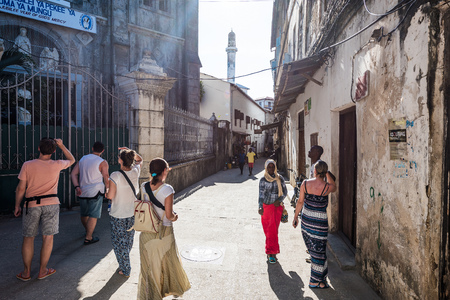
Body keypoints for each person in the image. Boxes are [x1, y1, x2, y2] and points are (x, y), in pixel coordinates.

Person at [15, 138, 75, 281]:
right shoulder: (57, 164)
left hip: (31, 205)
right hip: (51, 203)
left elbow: (21, 188)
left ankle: (26, 272)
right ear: (54, 151)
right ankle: (43, 270)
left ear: (38, 149)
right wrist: (62, 145)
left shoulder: (27, 165)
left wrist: (17, 205)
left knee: (29, 237)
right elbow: (72, 159)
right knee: (48, 237)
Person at [138, 158, 190, 299]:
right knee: (169, 261)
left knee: (148, 267)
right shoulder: (168, 189)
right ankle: (173, 289)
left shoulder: (143, 186)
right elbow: (169, 214)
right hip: (164, 231)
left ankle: (150, 295)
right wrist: (175, 217)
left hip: (146, 231)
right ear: (164, 171)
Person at [292, 160, 336, 289]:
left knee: (314, 251)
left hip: (307, 221)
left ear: (315, 171)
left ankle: (320, 279)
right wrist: (327, 173)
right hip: (320, 223)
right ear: (325, 172)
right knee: (320, 251)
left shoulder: (305, 183)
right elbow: (335, 185)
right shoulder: (327, 187)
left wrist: (295, 217)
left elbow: (300, 202)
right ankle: (316, 280)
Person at [105, 147, 142, 278]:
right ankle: (124, 262)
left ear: (120, 160)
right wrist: (130, 151)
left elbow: (110, 196)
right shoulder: (135, 171)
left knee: (118, 242)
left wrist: (107, 191)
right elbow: (140, 160)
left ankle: (126, 268)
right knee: (128, 240)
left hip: (118, 214)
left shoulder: (115, 175)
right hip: (132, 213)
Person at [71, 141, 109, 245]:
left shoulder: (83, 159)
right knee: (93, 215)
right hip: (96, 190)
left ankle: (88, 230)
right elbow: (106, 176)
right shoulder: (102, 162)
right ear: (102, 151)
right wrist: (107, 189)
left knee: (84, 214)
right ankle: (89, 237)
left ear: (92, 148)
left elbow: (73, 174)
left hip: (83, 191)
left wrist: (77, 186)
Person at [258, 159, 287, 264]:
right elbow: (261, 194)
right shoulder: (263, 180)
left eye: (272, 167)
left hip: (276, 208)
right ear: (266, 168)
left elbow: (285, 192)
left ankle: (272, 253)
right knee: (268, 231)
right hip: (266, 208)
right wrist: (260, 206)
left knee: (273, 231)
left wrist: (279, 200)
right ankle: (270, 249)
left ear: (275, 167)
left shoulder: (279, 178)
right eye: (269, 167)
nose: (271, 169)